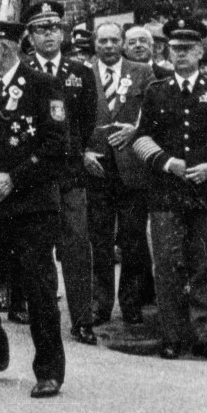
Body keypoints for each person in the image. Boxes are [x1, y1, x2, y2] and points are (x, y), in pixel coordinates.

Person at [0, 14, 67, 399]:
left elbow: (57, 147)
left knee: (38, 288)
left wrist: (14, 179)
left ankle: (49, 370)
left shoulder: (43, 85)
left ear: (4, 48)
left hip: (31, 207)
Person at [131, 17, 207, 361]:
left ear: (200, 52)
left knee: (202, 267)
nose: (181, 54)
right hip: (166, 193)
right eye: (175, 49)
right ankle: (171, 336)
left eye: (188, 49)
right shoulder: (156, 91)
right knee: (166, 266)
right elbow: (140, 137)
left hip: (206, 193)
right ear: (168, 53)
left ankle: (203, 337)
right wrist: (168, 162)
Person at [23, 1, 100, 346]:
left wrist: (75, 153)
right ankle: (42, 314)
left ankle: (82, 320)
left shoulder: (79, 72)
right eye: (41, 30)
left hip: (70, 173)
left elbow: (86, 121)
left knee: (76, 246)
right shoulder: (22, 71)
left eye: (54, 28)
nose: (49, 35)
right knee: (36, 247)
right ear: (30, 36)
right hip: (34, 174)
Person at [83, 20, 156, 326]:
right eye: (103, 41)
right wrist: (82, 154)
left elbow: (155, 113)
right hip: (96, 166)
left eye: (115, 40)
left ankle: (131, 303)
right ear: (95, 44)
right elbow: (69, 119)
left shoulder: (142, 72)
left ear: (123, 43)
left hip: (132, 167)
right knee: (99, 240)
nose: (110, 46)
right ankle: (100, 304)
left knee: (133, 239)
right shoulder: (82, 73)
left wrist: (135, 130)